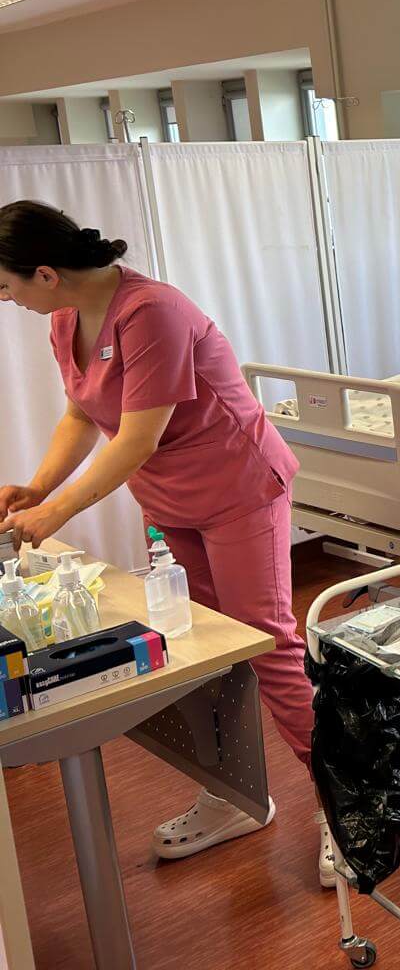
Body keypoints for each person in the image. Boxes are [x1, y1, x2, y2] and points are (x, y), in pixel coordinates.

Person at [0, 200, 335, 885]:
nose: (7, 300)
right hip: (170, 500)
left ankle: (344, 801)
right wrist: (38, 487)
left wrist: (56, 513)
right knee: (199, 646)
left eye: (5, 286)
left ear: (45, 273)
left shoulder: (152, 311)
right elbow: (81, 415)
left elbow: (137, 438)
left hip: (239, 489)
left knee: (266, 645)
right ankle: (235, 794)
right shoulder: (66, 318)